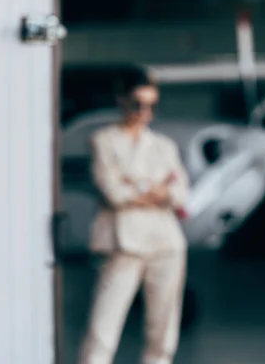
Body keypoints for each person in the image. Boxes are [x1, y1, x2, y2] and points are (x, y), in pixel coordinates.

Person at [79, 69, 190, 364]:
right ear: (122, 101)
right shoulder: (103, 140)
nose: (144, 112)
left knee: (163, 333)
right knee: (103, 329)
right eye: (137, 104)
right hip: (122, 244)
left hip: (166, 245)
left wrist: (136, 185)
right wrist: (156, 189)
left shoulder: (164, 146)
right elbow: (113, 192)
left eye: (151, 106)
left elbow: (180, 195)